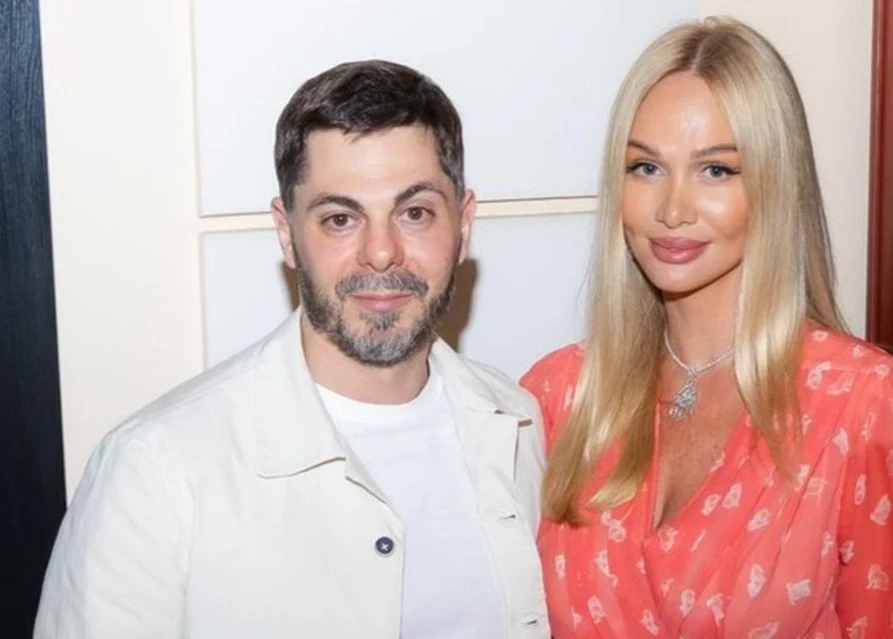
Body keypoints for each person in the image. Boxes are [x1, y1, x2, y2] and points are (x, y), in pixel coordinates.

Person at [35, 60, 548, 639]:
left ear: (464, 225)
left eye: (415, 213)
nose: (382, 252)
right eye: (340, 219)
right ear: (287, 233)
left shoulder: (521, 424)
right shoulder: (153, 471)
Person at [521, 17, 893, 639]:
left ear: (776, 184)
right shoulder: (558, 396)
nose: (672, 210)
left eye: (716, 170)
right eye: (646, 167)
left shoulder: (864, 406)